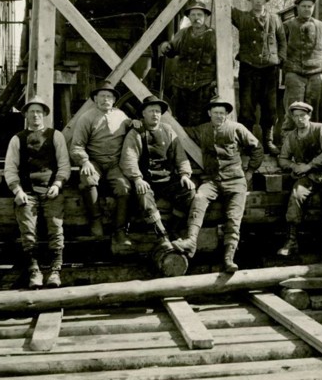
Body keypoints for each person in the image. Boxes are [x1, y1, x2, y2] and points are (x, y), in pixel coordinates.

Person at [175, 97, 264, 273]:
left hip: (235, 180)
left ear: (226, 115)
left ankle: (228, 258)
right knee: (199, 198)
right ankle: (191, 241)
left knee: (234, 217)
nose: (219, 116)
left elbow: (257, 148)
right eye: (215, 113)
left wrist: (250, 171)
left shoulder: (236, 128)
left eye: (222, 113)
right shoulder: (203, 130)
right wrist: (167, 118)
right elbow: (180, 131)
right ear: (209, 113)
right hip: (212, 180)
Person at [3, 96, 71, 289]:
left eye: (39, 112)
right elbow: (10, 168)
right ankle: (34, 271)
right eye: (31, 112)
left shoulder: (55, 136)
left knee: (56, 228)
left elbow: (64, 165)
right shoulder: (17, 139)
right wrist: (17, 190)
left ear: (45, 115)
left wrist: (57, 184)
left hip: (51, 190)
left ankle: (55, 271)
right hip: (27, 192)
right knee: (28, 231)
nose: (35, 116)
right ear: (25, 115)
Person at [119, 95, 196, 253]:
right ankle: (162, 237)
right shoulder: (136, 133)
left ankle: (173, 229)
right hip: (146, 180)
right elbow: (128, 158)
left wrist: (184, 175)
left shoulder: (168, 131)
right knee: (143, 195)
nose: (155, 114)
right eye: (151, 111)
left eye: (158, 111)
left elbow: (180, 156)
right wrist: (137, 178)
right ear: (144, 114)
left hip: (167, 179)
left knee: (189, 191)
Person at [277, 101, 322, 270]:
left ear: (309, 116)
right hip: (307, 177)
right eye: (296, 116)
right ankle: (291, 242)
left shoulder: (321, 129)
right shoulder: (291, 137)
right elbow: (283, 159)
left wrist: (309, 165)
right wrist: (294, 166)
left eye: (302, 116)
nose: (299, 119)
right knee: (296, 195)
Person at [70, 81, 134, 245]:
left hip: (114, 164)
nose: (106, 99)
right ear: (96, 99)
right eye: (102, 96)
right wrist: (84, 161)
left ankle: (120, 230)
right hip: (94, 162)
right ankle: (96, 221)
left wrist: (136, 123)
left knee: (124, 188)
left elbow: (132, 129)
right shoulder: (87, 118)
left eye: (109, 96)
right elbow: (76, 146)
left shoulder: (121, 116)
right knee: (87, 181)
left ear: (113, 100)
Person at [231, 0, 287, 155]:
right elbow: (226, 6)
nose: (258, 0)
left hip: (270, 70)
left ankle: (268, 142)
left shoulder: (275, 19)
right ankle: (247, 143)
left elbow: (282, 41)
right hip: (249, 68)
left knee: (270, 108)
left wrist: (280, 60)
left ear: (265, 0)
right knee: (247, 106)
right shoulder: (242, 17)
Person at [158, 0, 216, 127]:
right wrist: (165, 46)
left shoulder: (214, 36)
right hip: (181, 86)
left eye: (199, 14)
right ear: (189, 17)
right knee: (181, 120)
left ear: (206, 16)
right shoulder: (183, 34)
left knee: (200, 122)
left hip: (203, 87)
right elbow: (171, 50)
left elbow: (223, 62)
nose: (196, 18)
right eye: (193, 15)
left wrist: (216, 81)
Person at [282, 0, 322, 128]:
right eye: (304, 6)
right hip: (294, 74)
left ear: (313, 8)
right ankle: (290, 140)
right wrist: (287, 68)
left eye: (310, 6)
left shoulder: (321, 26)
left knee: (316, 109)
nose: (307, 9)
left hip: (316, 75)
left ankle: (315, 140)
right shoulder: (288, 25)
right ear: (297, 8)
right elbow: (280, 51)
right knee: (293, 108)